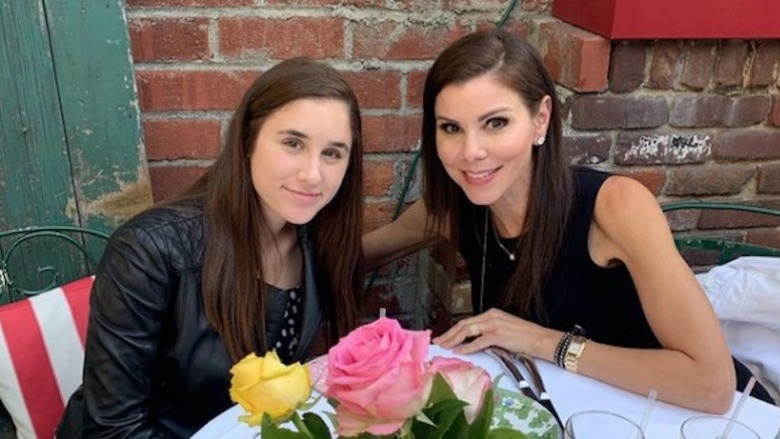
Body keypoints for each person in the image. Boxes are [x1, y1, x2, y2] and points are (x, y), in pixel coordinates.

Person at [363, 29, 774, 412]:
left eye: (496, 123)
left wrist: (540, 341)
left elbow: (712, 386)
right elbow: (364, 253)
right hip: (578, 414)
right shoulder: (454, 208)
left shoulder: (615, 207)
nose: (471, 151)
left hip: (694, 417)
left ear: (540, 119)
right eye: (451, 128)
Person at [57, 57, 364, 438]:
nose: (312, 174)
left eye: (332, 153)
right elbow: (112, 431)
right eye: (292, 143)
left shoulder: (317, 240)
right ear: (248, 141)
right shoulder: (149, 251)